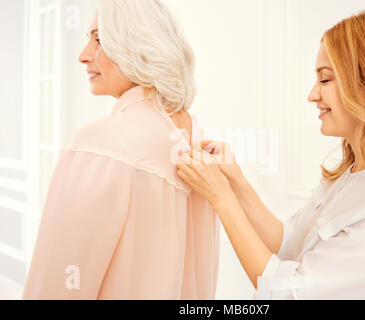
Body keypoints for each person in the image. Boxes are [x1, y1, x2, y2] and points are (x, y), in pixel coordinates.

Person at [177, 9, 365, 299]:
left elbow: (288, 295)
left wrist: (222, 198)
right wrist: (236, 184)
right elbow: (291, 244)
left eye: (325, 80)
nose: (312, 95)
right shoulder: (351, 174)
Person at [23, 0, 219, 300]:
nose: (83, 55)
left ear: (137, 43)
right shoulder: (200, 143)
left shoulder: (97, 146)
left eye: (99, 39)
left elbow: (57, 288)